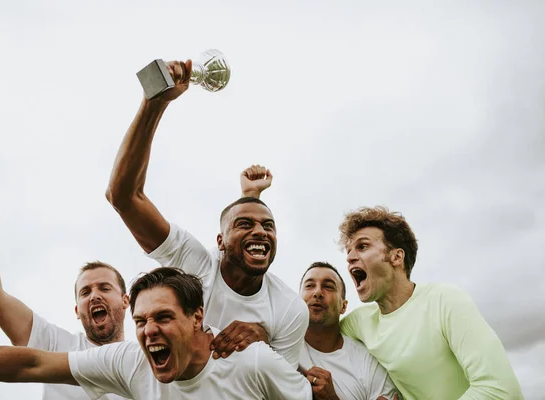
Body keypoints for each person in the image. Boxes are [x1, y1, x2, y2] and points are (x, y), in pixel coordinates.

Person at [105, 60, 308, 367]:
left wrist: (262, 342)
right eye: (246, 224)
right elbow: (123, 195)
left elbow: (283, 388)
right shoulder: (195, 265)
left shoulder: (289, 308)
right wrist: (154, 102)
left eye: (269, 226)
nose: (261, 231)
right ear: (219, 242)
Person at [0, 267, 313, 400]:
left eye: (164, 317)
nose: (150, 330)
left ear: (197, 317)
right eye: (141, 321)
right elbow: (30, 364)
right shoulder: (129, 362)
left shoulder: (253, 362)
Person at [0, 170, 130, 400]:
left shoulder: (149, 365)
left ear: (126, 300)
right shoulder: (56, 344)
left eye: (104, 288)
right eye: (85, 292)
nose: (94, 296)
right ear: (77, 311)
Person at [338, 206, 524, 399]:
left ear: (396, 257)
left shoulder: (444, 300)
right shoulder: (358, 323)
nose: (350, 258)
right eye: (349, 251)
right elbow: (318, 334)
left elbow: (500, 389)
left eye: (362, 246)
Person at [299, 262, 400, 400]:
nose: (317, 293)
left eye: (328, 286)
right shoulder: (279, 345)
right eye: (310, 285)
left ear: (343, 306)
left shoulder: (367, 361)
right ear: (297, 300)